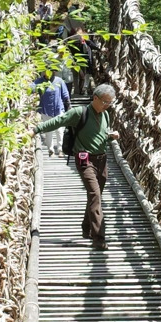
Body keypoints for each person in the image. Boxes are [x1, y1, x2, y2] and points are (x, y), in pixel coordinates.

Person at [36, 83, 117, 249]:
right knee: (94, 194)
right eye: (105, 102)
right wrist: (36, 130)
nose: (107, 106)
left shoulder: (105, 115)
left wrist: (110, 136)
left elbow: (99, 135)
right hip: (84, 159)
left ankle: (86, 228)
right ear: (95, 98)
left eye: (110, 103)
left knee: (95, 196)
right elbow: (57, 121)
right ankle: (99, 238)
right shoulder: (79, 113)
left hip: (101, 161)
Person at [36, 72, 70, 155]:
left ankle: (60, 149)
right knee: (48, 130)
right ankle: (50, 149)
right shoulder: (39, 82)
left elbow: (65, 95)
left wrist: (69, 107)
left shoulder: (59, 81)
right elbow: (31, 90)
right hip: (45, 110)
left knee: (59, 131)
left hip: (58, 108)